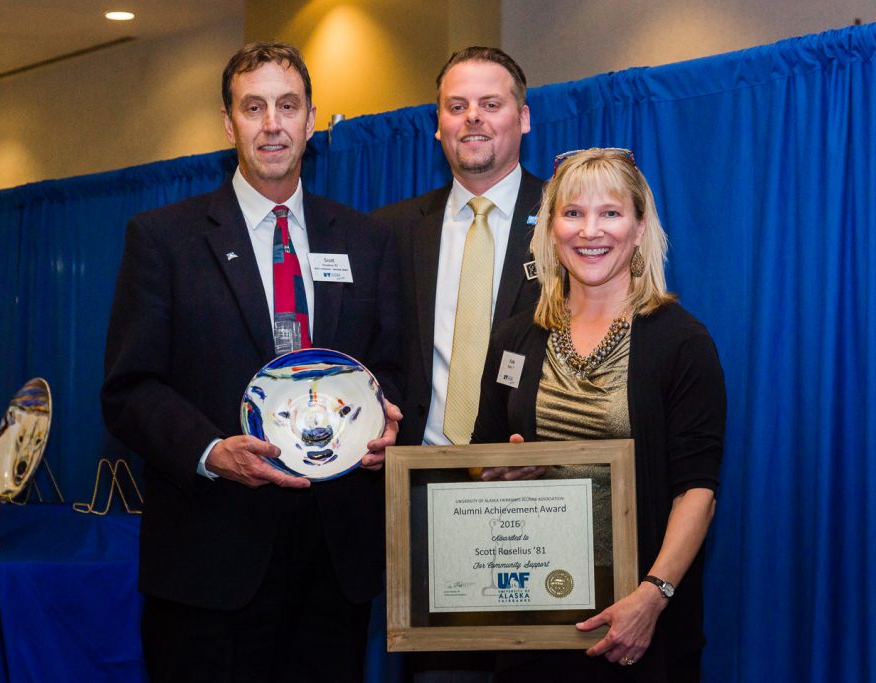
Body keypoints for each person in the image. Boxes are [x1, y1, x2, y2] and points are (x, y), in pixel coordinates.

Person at [100, 43, 402, 683]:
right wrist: (212, 451)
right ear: (227, 121)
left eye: (288, 107)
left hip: (333, 566)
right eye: (253, 107)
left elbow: (390, 366)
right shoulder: (163, 239)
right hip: (210, 560)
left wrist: (387, 424)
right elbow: (130, 390)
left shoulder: (367, 240)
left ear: (312, 120)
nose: (272, 125)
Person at [471, 148, 726, 682]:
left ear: (639, 228)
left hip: (640, 627)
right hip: (533, 619)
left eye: (610, 212)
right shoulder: (515, 337)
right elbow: (478, 460)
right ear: (551, 228)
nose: (590, 231)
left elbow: (696, 492)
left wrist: (652, 597)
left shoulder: (683, 343)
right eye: (573, 213)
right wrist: (498, 470)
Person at [374, 46, 543, 451]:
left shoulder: (568, 222)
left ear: (523, 119)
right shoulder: (390, 230)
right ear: (439, 124)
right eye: (457, 106)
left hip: (534, 468)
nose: (472, 116)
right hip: (416, 468)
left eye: (490, 104)